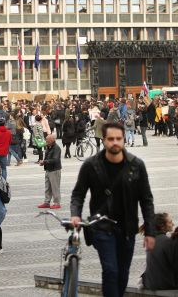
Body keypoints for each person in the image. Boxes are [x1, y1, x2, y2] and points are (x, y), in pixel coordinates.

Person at [70, 122, 156, 297]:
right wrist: (75, 215)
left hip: (127, 228)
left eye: (118, 139)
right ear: (104, 140)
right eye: (110, 139)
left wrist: (150, 231)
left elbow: (146, 200)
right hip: (102, 226)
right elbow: (78, 194)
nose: (115, 142)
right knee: (110, 270)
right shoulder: (91, 165)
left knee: (123, 274)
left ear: (124, 140)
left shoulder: (136, 165)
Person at [141, 213, 175, 291]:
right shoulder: (167, 241)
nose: (173, 224)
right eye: (170, 222)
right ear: (162, 226)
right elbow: (174, 264)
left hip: (150, 283)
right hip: (164, 284)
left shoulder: (151, 240)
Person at [37, 134, 62, 210]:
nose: (46, 141)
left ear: (52, 140)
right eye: (46, 140)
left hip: (54, 170)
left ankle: (57, 203)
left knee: (55, 187)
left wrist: (44, 162)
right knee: (47, 187)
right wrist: (44, 162)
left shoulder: (57, 148)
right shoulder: (49, 146)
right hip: (48, 169)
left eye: (47, 140)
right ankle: (47, 202)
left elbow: (55, 160)